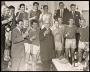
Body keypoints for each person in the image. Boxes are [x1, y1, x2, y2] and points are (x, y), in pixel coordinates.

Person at [1, 5, 13, 71]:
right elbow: (2, 22)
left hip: (3, 35)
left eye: (6, 9)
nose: (5, 10)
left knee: (4, 49)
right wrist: (8, 20)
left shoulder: (3, 16)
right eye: (4, 9)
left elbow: (5, 26)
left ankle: (4, 66)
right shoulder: (3, 17)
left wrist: (7, 28)